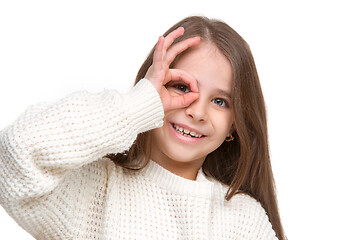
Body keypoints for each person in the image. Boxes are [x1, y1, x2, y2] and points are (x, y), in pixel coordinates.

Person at [0, 16, 285, 239]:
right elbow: (16, 153)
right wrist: (140, 104)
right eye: (182, 87)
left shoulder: (243, 219)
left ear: (235, 125)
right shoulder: (93, 193)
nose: (197, 112)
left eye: (220, 101)